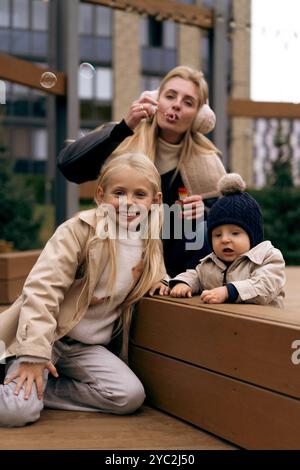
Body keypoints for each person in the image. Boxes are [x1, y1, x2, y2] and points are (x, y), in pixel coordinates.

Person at [0, 152, 167, 428]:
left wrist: (165, 282)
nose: (128, 203)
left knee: (128, 396)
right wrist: (33, 355)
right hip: (48, 337)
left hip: (85, 348)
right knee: (17, 412)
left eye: (140, 194)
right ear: (101, 196)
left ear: (155, 202)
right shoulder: (78, 232)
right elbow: (42, 289)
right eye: (119, 193)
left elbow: (155, 275)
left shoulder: (149, 244)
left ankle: (39, 391)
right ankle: (23, 385)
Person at [57, 65, 226, 278]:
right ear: (155, 100)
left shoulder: (207, 161)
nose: (176, 105)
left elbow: (227, 222)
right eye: (170, 96)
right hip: (120, 254)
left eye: (188, 102)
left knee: (204, 230)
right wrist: (123, 128)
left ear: (200, 117)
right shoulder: (125, 136)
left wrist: (206, 212)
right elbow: (69, 167)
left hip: (176, 270)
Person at [169, 173, 285, 308]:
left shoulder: (267, 257)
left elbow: (267, 284)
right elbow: (196, 275)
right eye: (217, 235)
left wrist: (229, 291)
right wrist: (184, 283)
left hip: (264, 323)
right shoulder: (210, 262)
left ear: (253, 235)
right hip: (228, 323)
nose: (224, 239)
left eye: (235, 233)